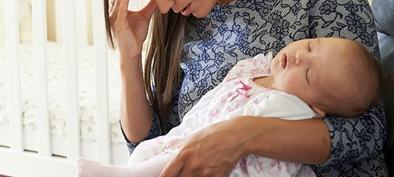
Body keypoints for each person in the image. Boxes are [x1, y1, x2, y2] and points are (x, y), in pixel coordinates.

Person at [98, 0, 387, 175]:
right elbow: (151, 152)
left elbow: (367, 130)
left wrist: (243, 134)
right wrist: (130, 58)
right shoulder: (179, 21)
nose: (161, 6)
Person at [77, 37, 385, 177]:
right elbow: (212, 99)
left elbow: (372, 131)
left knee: (169, 161)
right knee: (148, 152)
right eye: (310, 45)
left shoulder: (292, 107)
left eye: (309, 74)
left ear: (317, 107)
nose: (301, 57)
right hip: (191, 134)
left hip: (231, 166)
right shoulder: (256, 67)